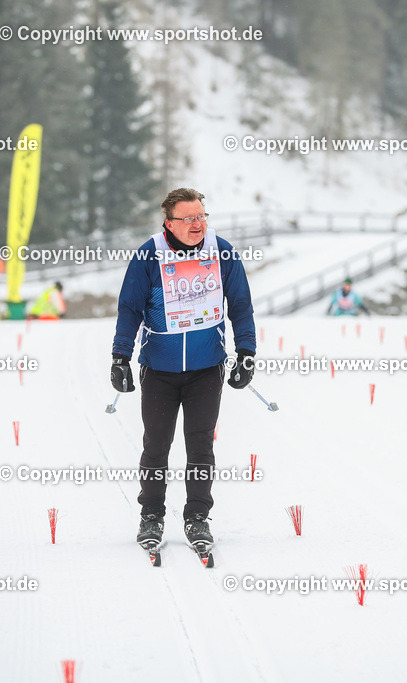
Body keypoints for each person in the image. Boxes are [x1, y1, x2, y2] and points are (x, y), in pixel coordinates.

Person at [110, 188, 256, 552]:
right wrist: (119, 356)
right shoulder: (148, 255)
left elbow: (240, 304)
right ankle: (152, 516)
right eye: (188, 218)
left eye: (202, 216)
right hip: (159, 368)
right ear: (169, 222)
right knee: (157, 445)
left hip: (207, 368)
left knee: (201, 445)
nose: (197, 224)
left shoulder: (221, 252)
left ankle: (197, 517)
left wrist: (247, 352)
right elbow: (130, 308)